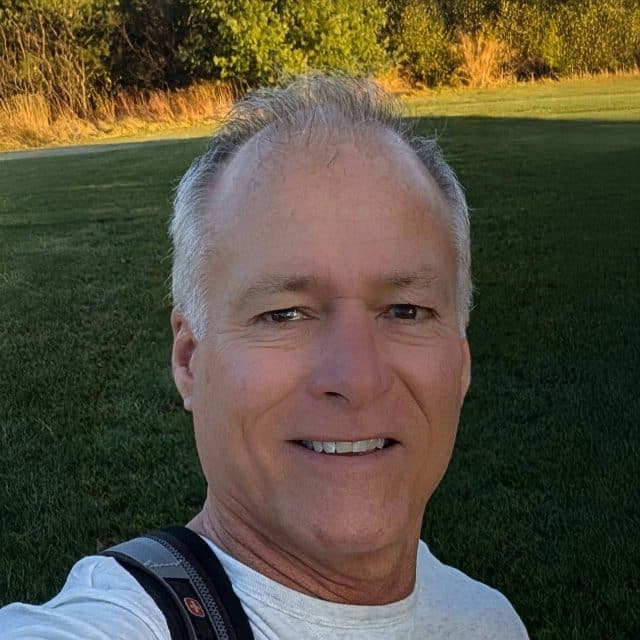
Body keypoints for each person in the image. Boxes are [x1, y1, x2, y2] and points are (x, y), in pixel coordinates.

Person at [0, 74, 528, 639]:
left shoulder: (489, 620)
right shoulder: (118, 624)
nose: (357, 377)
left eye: (405, 310)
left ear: (462, 360)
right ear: (189, 363)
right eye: (285, 314)